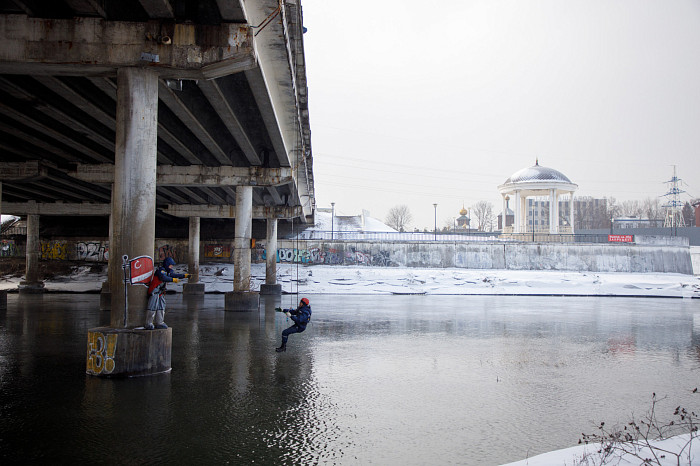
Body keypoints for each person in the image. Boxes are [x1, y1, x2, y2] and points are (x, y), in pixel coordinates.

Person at [145, 257, 189, 330]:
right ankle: (148, 323)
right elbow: (163, 278)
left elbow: (173, 275)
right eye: (171, 265)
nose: (171, 267)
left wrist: (184, 276)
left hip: (161, 292)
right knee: (152, 306)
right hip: (155, 291)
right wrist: (173, 280)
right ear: (167, 264)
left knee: (161, 306)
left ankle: (160, 322)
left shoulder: (168, 271)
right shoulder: (160, 270)